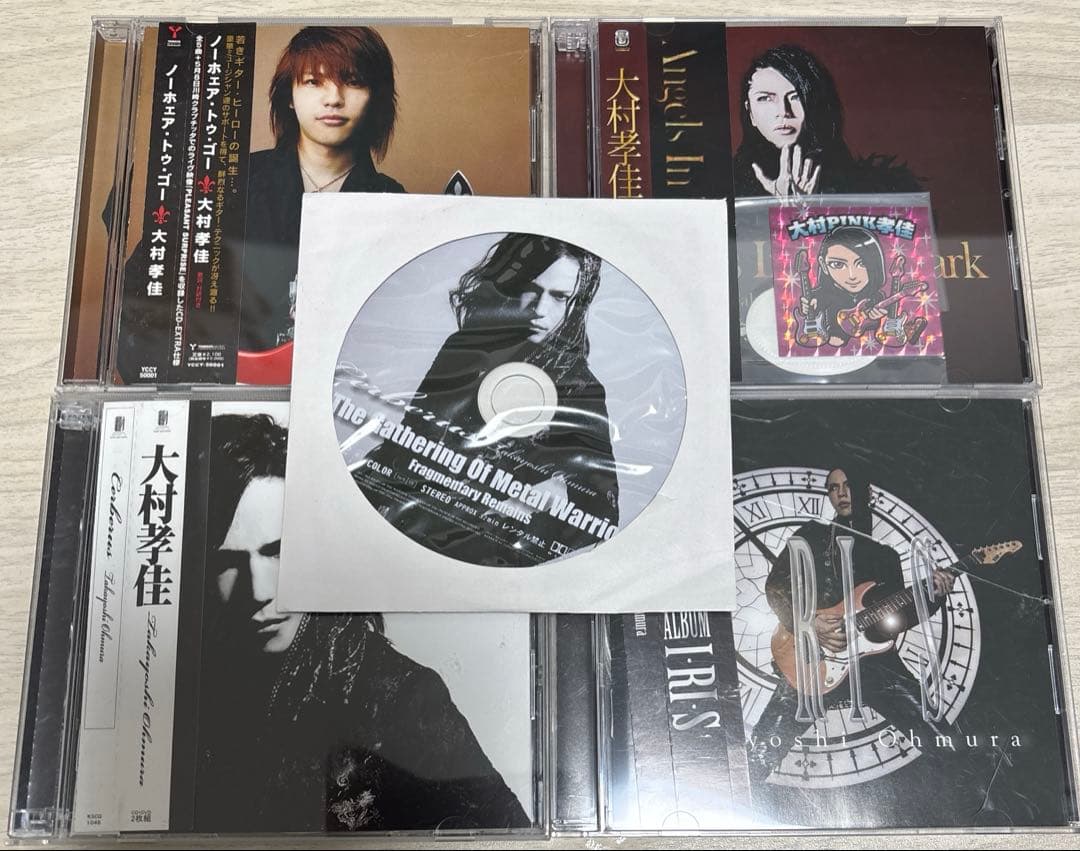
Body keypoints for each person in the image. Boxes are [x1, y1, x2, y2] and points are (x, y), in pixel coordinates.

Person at [195, 413, 530, 832]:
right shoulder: (195, 686)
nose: (259, 590)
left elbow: (506, 837)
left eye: (278, 552)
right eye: (227, 562)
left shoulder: (402, 699)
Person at [352, 233, 619, 567]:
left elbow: (599, 516)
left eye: (559, 296)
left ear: (576, 304)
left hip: (478, 566)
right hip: (400, 543)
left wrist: (504, 547)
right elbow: (406, 444)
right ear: (510, 284)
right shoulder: (463, 349)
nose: (540, 310)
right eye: (531, 290)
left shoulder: (579, 389)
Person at [748, 465, 956, 784]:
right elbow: (776, 586)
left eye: (848, 485)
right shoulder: (810, 535)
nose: (841, 493)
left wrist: (934, 596)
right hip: (810, 659)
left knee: (943, 740)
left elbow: (896, 620)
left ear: (866, 492)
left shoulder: (884, 556)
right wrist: (808, 622)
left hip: (873, 666)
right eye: (833, 488)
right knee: (759, 754)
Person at [240, 26, 406, 353]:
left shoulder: (392, 200)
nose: (333, 98)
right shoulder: (237, 180)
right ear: (289, 95)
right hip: (239, 377)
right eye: (313, 82)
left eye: (353, 81)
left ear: (375, 97)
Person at [733, 44, 922, 198]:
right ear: (750, 112)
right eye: (765, 98)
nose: (783, 112)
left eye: (796, 97)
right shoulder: (729, 185)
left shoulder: (880, 188)